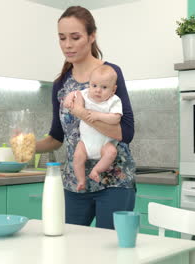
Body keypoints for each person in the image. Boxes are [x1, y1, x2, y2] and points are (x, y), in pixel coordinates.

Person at [36, 6, 136, 230]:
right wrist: (25, 146)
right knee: (68, 250)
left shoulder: (110, 74)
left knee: (110, 254)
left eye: (75, 37)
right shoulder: (61, 84)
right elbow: (56, 137)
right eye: (62, 38)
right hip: (75, 184)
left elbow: (126, 133)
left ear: (92, 36)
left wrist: (82, 113)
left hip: (114, 181)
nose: (67, 45)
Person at [63, 65, 122, 191]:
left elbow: (116, 118)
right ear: (89, 84)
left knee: (111, 152)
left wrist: (98, 116)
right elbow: (74, 93)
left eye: (104, 87)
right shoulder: (85, 94)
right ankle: (81, 180)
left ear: (113, 89)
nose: (97, 90)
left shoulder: (114, 101)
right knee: (78, 157)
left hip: (105, 144)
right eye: (94, 85)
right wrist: (69, 98)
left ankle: (96, 170)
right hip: (85, 143)